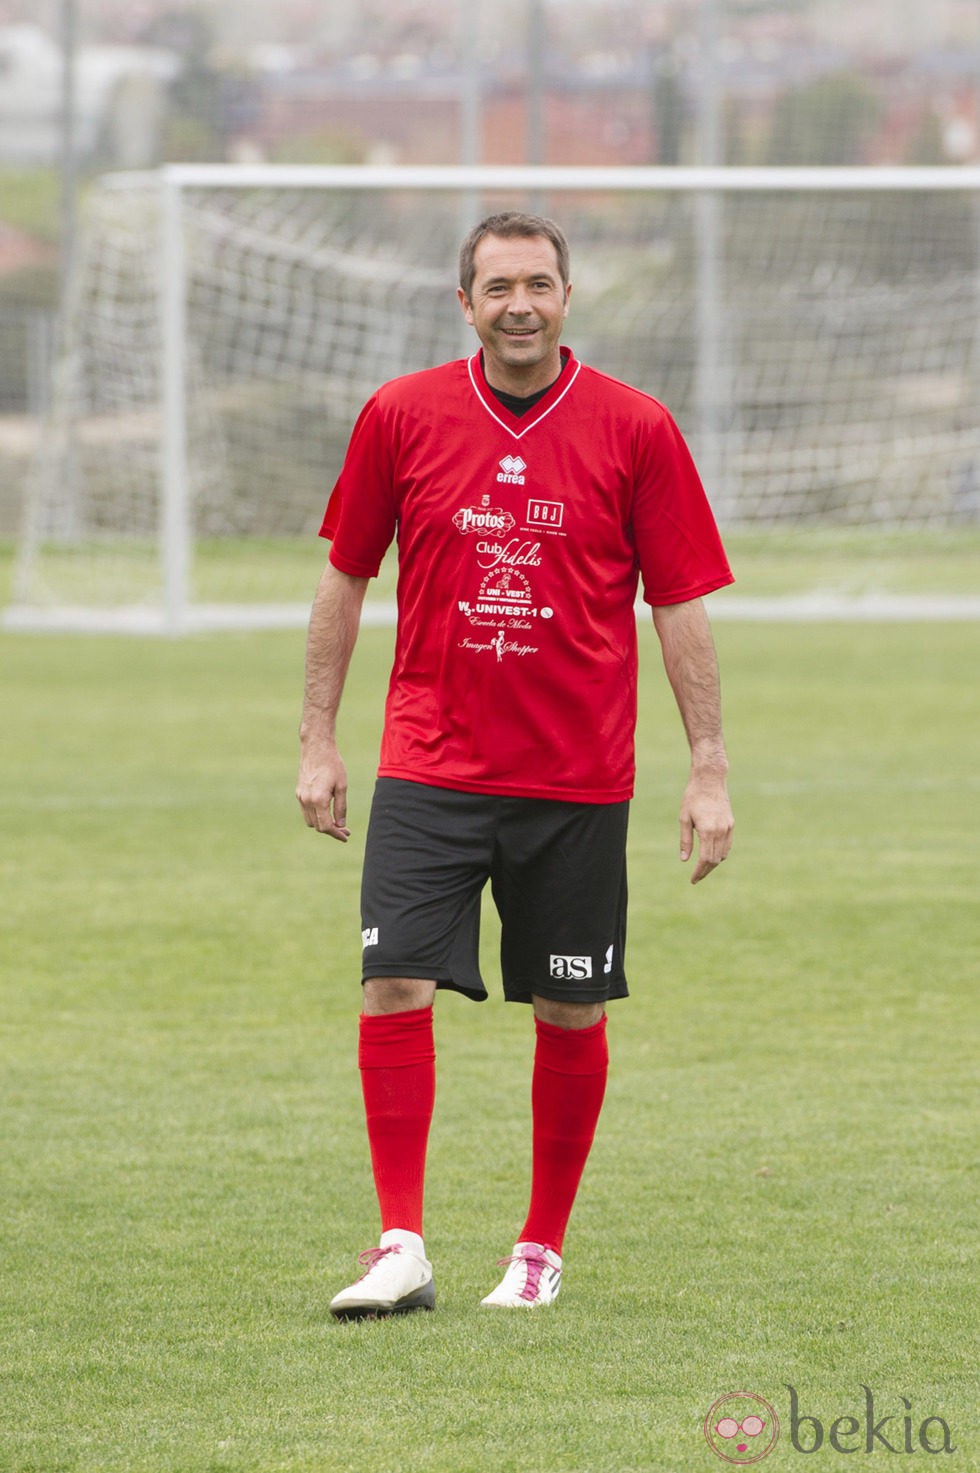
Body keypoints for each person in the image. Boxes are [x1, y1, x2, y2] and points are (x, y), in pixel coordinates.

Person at [296, 211, 734, 1319]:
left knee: (567, 1008)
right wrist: (316, 739)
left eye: (537, 283)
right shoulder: (400, 415)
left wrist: (708, 768)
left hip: (574, 780)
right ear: (465, 304)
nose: (519, 304)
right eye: (497, 288)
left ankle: (537, 1251)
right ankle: (399, 1244)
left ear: (566, 295)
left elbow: (676, 602)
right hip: (428, 765)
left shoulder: (636, 427)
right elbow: (343, 579)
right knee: (390, 979)